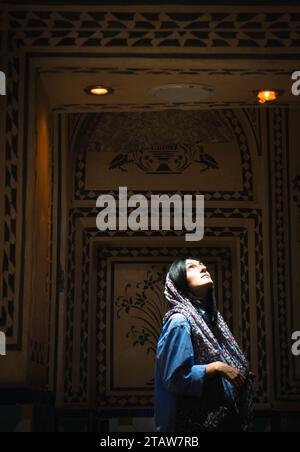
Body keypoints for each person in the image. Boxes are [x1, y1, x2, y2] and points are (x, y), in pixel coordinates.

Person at [154, 257, 255, 432]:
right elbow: (175, 378)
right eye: (192, 267)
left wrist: (237, 374)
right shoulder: (180, 321)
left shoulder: (210, 321)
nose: (203, 268)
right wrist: (218, 367)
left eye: (202, 265)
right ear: (180, 283)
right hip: (194, 423)